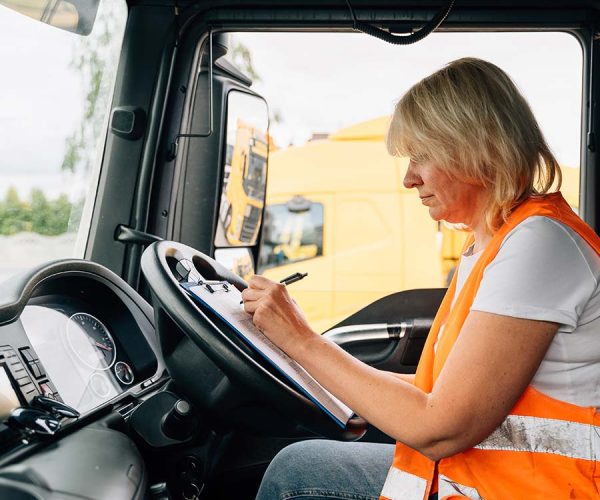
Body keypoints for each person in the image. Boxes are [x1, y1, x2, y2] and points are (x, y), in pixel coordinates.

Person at [242, 58, 600, 499]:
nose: (409, 178)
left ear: (476, 148)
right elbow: (443, 391)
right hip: (482, 478)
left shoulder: (538, 245)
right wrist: (343, 392)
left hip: (531, 488)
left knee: (296, 473)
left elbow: (439, 427)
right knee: (301, 464)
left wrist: (301, 340)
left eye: (421, 157)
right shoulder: (496, 244)